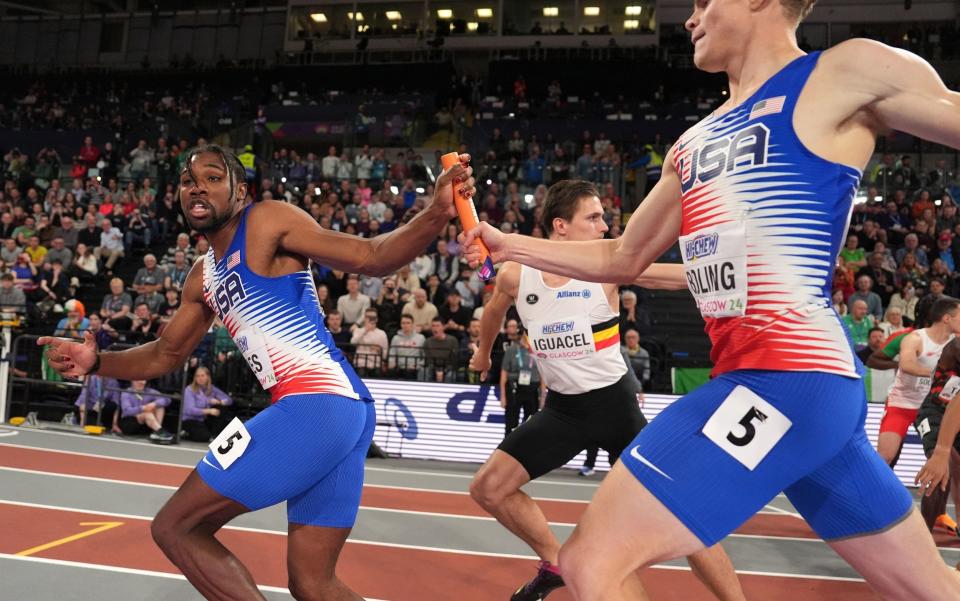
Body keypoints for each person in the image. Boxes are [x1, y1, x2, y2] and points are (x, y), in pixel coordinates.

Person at [462, 3, 960, 596]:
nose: (690, 18)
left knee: (592, 562)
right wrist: (504, 241)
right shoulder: (692, 143)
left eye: (703, 2)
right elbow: (623, 258)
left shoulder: (842, 72)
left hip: (785, 380)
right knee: (931, 590)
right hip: (804, 393)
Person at [39, 144, 474, 600]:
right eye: (188, 182)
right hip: (344, 411)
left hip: (316, 405)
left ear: (240, 191)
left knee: (175, 526)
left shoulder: (266, 221)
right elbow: (166, 354)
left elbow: (370, 257)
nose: (197, 188)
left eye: (211, 177)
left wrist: (434, 213)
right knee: (312, 582)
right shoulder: (201, 277)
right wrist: (98, 363)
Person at [468, 180, 743, 601]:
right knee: (488, 488)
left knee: (682, 515)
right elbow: (492, 312)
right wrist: (484, 354)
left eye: (604, 217)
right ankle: (554, 559)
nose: (604, 225)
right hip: (562, 412)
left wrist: (738, 272)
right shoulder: (515, 274)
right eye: (593, 218)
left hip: (615, 409)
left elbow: (673, 278)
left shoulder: (609, 264)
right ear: (560, 225)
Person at [876, 298, 960, 467]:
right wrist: (939, 375)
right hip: (902, 404)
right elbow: (907, 364)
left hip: (933, 408)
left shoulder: (955, 342)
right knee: (885, 457)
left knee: (947, 462)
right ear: (946, 319)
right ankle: (872, 491)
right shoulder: (915, 338)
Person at [181, 366, 233, 442]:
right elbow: (190, 410)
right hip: (191, 420)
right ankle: (187, 434)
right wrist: (208, 411)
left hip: (204, 419)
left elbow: (229, 400)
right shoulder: (189, 389)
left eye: (202, 376)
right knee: (204, 436)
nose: (200, 378)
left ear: (208, 377)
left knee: (222, 408)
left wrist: (219, 402)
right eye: (197, 376)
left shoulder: (212, 389)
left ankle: (213, 434)